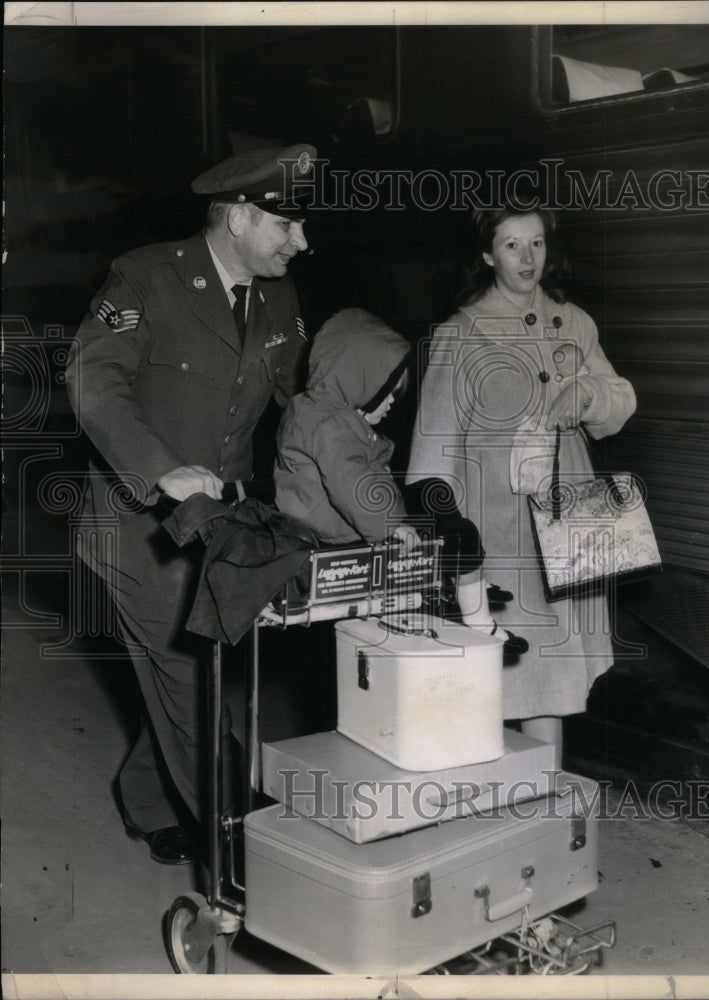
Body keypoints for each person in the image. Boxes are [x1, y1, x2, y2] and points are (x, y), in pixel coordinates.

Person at [65, 144, 316, 863]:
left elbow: (295, 397)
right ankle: (247, 849)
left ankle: (147, 798)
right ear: (238, 216)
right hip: (138, 525)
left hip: (217, 527)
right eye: (288, 225)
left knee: (192, 667)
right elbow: (94, 385)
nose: (303, 241)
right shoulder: (143, 278)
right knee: (192, 674)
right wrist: (163, 469)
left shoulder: (281, 297)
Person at [406, 202, 636, 765]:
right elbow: (435, 449)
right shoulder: (461, 335)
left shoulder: (575, 321)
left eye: (537, 243)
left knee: (555, 684)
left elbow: (620, 399)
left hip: (573, 515)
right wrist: (447, 530)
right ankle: (505, 812)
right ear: (488, 255)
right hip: (501, 528)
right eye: (512, 245)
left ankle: (543, 808)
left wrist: (589, 397)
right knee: (505, 676)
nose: (528, 258)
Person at [274, 307, 526, 651]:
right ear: (360, 378)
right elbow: (351, 481)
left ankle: (466, 579)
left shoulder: (324, 412)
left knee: (433, 490)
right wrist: (392, 525)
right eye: (389, 391)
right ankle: (478, 618)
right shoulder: (329, 426)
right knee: (460, 534)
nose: (393, 402)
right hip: (349, 531)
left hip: (352, 518)